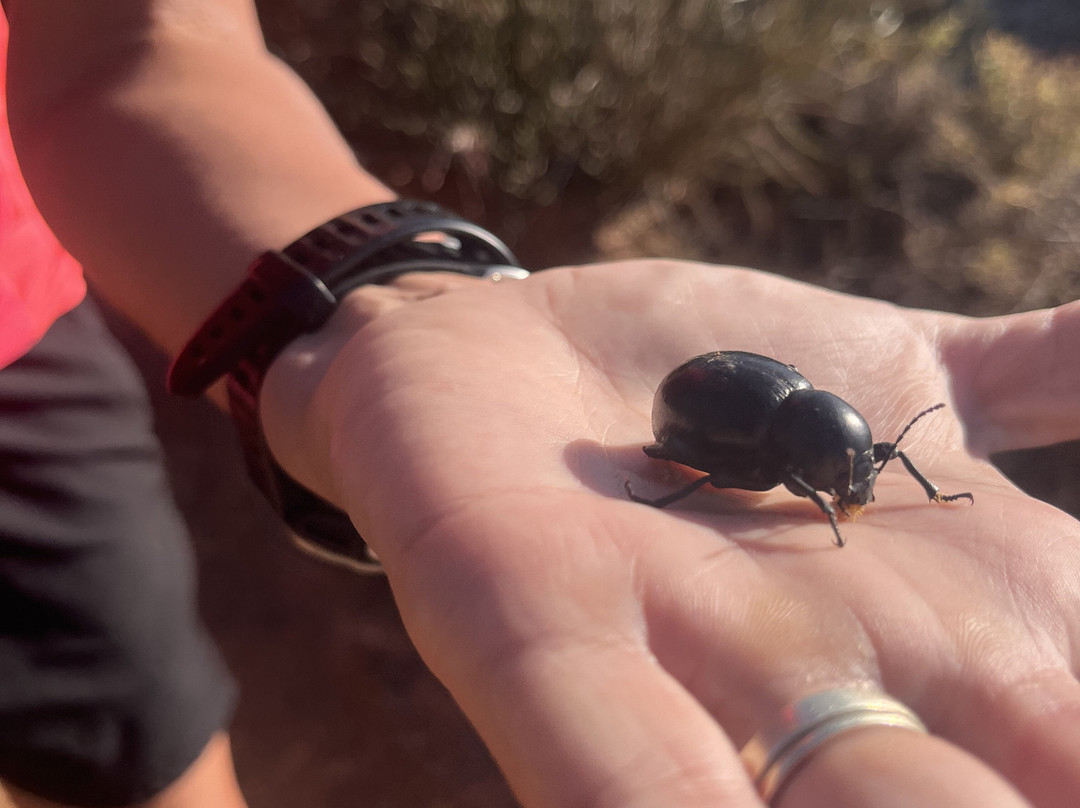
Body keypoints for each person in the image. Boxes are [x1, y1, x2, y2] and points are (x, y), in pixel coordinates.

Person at [3, 2, 1079, 808]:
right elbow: (721, 462)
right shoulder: (782, 449)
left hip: (25, 356)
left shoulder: (823, 435)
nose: (846, 488)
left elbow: (129, 53)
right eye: (841, 480)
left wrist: (394, 303)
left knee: (141, 734)